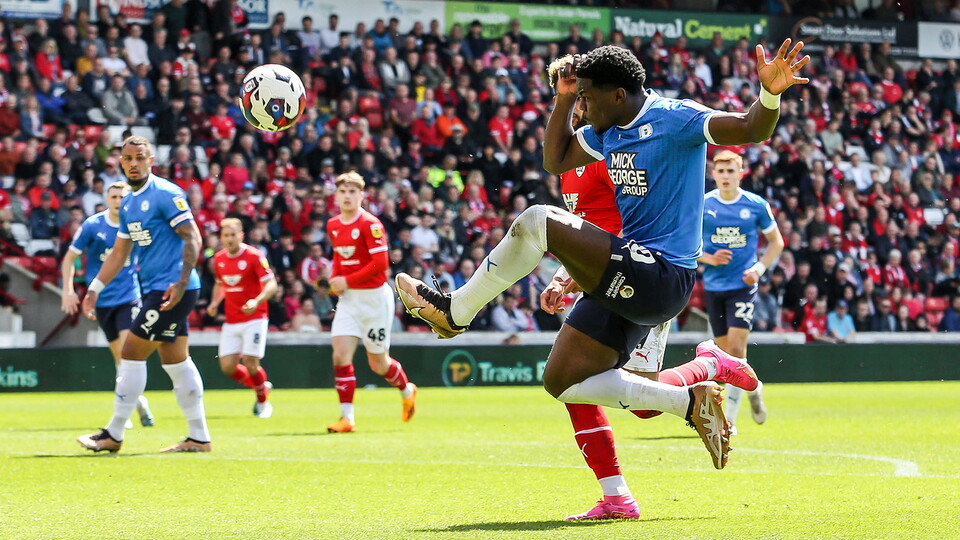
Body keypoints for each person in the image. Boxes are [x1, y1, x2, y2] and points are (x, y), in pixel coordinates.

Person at [397, 41, 809, 474]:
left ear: (617, 95)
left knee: (538, 219)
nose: (583, 107)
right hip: (628, 273)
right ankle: (692, 395)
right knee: (563, 381)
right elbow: (555, 160)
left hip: (664, 273)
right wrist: (563, 98)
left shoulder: (676, 118)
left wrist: (769, 94)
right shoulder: (606, 131)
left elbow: (750, 127)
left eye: (587, 98)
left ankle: (456, 311)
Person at [538, 58, 761, 521]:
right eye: (570, 95)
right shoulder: (580, 154)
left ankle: (708, 366)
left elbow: (634, 217)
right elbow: (587, 227)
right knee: (583, 386)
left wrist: (580, 270)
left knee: (610, 392)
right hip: (603, 275)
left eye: (580, 94)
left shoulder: (610, 143)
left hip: (638, 273)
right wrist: (566, 273)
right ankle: (617, 495)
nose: (578, 103)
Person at [77, 136, 211, 454]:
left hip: (171, 289)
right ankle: (199, 437)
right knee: (175, 361)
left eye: (140, 157)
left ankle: (114, 433)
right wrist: (94, 288)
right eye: (128, 158)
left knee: (131, 353)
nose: (134, 163)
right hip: (160, 289)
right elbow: (119, 253)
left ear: (151, 161)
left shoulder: (166, 193)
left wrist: (180, 282)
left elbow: (193, 237)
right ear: (120, 163)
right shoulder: (128, 203)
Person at [697, 150, 784, 436]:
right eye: (720, 171)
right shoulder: (704, 204)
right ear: (713, 174)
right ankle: (754, 389)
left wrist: (759, 269)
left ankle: (729, 421)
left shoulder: (755, 205)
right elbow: (685, 240)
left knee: (736, 350)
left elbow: (776, 242)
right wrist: (708, 258)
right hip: (714, 286)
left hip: (743, 286)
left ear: (740, 174)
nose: (725, 176)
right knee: (724, 358)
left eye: (730, 171)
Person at [325, 172, 417, 433]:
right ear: (336, 196)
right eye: (343, 191)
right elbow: (339, 257)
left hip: (374, 300)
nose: (347, 196)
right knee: (340, 355)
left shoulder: (370, 224)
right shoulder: (333, 224)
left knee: (378, 363)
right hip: (349, 300)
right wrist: (335, 278)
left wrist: (346, 280)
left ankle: (406, 389)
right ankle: (347, 419)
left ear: (362, 195)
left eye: (352, 192)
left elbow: (380, 264)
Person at [61, 181, 155, 430]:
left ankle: (122, 414)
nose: (118, 201)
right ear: (106, 199)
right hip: (102, 300)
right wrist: (68, 291)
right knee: (120, 359)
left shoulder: (136, 224)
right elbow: (69, 258)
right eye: (113, 196)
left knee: (127, 352)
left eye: (122, 197)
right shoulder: (93, 225)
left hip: (129, 297)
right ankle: (137, 402)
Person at [205, 218, 278, 418]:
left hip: (255, 317)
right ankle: (261, 387)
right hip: (232, 319)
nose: (229, 239)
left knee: (250, 362)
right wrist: (214, 303)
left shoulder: (254, 256)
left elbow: (271, 284)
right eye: (226, 235)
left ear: (241, 236)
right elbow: (220, 284)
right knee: (228, 367)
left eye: (233, 235)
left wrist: (257, 300)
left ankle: (263, 404)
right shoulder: (219, 259)